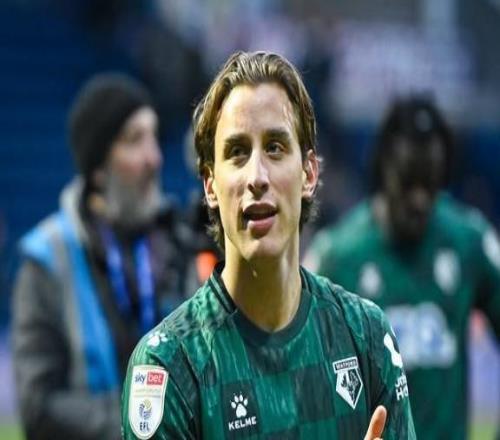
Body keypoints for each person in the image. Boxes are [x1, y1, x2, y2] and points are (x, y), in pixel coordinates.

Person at [121, 51, 416, 440]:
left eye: (275, 147)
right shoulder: (167, 366)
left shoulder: (366, 336)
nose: (257, 176)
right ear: (210, 185)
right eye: (237, 152)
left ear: (309, 173)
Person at [305, 96, 500, 439]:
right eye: (409, 183)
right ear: (384, 170)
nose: (420, 198)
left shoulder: (469, 243)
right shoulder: (337, 258)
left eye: (431, 184)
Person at [12, 73, 190, 440]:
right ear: (98, 169)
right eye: (134, 140)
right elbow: (38, 406)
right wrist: (137, 423)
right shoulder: (46, 259)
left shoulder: (178, 241)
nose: (154, 158)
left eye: (154, 137)